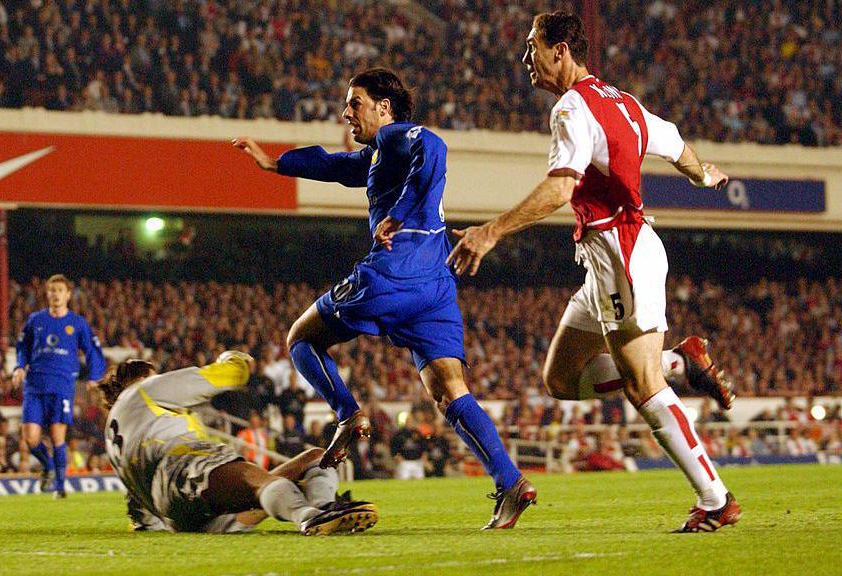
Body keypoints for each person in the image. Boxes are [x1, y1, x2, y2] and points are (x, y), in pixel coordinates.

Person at [448, 11, 741, 533]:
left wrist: (490, 231)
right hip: (606, 258)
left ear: (560, 50)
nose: (526, 59)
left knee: (641, 386)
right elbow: (673, 142)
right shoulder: (621, 101)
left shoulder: (570, 109)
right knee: (560, 378)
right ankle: (681, 362)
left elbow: (562, 188)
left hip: (619, 252)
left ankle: (716, 498)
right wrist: (704, 175)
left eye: (532, 47)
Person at [234, 67, 534, 529]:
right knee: (449, 391)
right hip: (435, 287)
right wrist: (277, 164)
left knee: (300, 338)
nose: (345, 112)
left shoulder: (398, 135)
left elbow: (434, 148)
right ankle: (511, 482)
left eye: (354, 102)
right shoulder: (379, 156)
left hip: (394, 274)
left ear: (383, 107)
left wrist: (395, 214)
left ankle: (347, 415)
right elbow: (334, 166)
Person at [100, 352, 377, 535]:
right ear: (137, 379)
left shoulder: (116, 437)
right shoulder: (143, 390)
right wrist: (234, 359)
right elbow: (226, 375)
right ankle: (309, 515)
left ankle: (326, 509)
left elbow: (140, 518)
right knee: (252, 477)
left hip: (187, 520)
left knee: (316, 457)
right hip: (182, 468)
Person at [10, 274, 106, 498]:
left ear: (68, 295)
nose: (55, 294)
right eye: (52, 290)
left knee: (57, 436)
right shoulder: (35, 320)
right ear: (47, 293)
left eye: (60, 291)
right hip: (34, 384)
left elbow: (93, 350)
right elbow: (22, 346)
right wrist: (19, 366)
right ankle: (49, 468)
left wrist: (94, 376)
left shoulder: (77, 323)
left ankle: (61, 487)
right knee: (30, 438)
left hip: (62, 385)